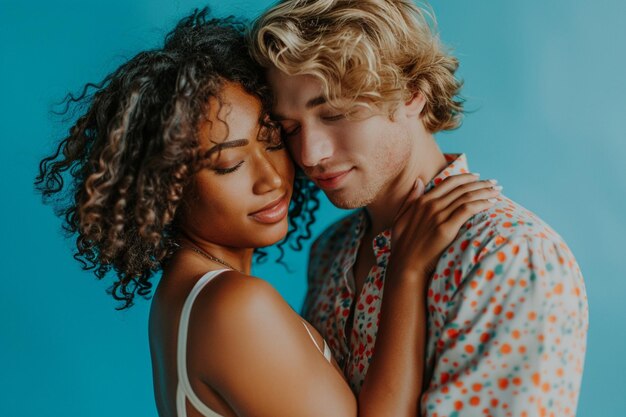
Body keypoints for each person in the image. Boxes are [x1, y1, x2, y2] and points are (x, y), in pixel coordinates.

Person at [35, 9, 500, 417]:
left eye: (274, 139)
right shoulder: (233, 306)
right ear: (164, 189)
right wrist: (406, 273)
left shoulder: (189, 297)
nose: (274, 178)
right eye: (230, 164)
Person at [251, 0, 589, 416]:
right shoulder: (330, 252)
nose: (309, 153)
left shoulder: (508, 255)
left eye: (336, 114)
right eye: (289, 128)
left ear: (412, 93)